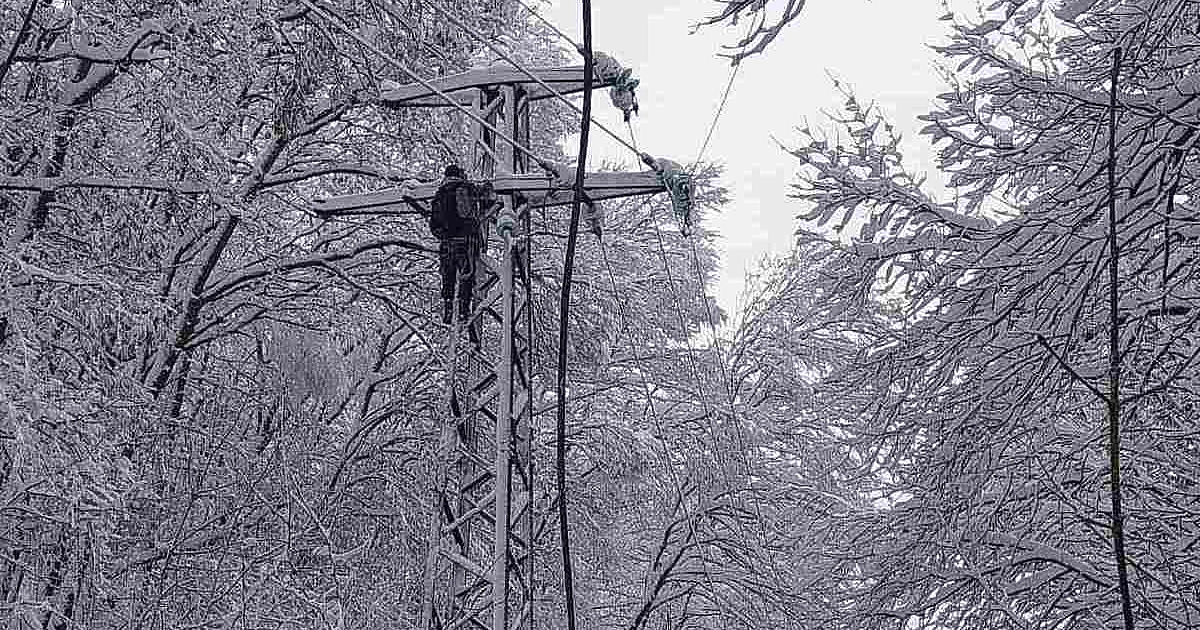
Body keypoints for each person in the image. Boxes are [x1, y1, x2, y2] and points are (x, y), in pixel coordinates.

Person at [430, 164, 482, 326]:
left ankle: (448, 307)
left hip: (446, 245)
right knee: (466, 276)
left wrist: (445, 235)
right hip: (465, 242)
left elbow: (433, 225)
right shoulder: (465, 188)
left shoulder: (439, 194)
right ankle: (463, 310)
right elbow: (480, 198)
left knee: (448, 276)